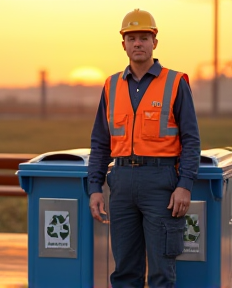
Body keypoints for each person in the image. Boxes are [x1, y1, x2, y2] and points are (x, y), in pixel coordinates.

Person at [88, 8, 201, 288]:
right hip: (122, 182)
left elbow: (191, 140)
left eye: (143, 37)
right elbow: (100, 143)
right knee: (125, 271)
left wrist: (184, 185)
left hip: (161, 184)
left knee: (162, 272)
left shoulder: (175, 83)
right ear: (123, 44)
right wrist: (94, 188)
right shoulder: (111, 85)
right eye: (132, 38)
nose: (137, 43)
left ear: (155, 42)